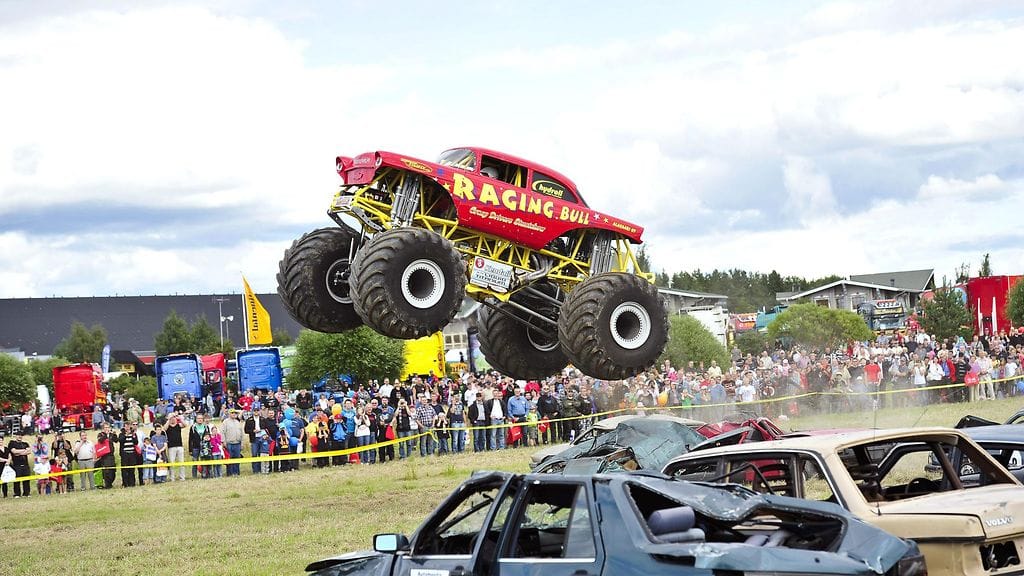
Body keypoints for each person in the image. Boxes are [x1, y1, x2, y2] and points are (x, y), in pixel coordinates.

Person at [117, 422, 139, 487]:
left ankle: (132, 483)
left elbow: (136, 442)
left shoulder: (133, 434)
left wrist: (133, 435)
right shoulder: (121, 434)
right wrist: (126, 435)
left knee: (131, 470)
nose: (128, 428)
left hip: (132, 454)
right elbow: (120, 440)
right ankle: (125, 483)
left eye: (129, 426)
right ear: (124, 427)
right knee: (124, 470)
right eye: (126, 426)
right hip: (125, 455)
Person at [165, 415, 186, 482]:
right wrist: (169, 419)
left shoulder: (178, 425)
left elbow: (185, 425)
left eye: (174, 418)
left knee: (181, 462)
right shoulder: (168, 426)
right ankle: (172, 478)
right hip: (171, 447)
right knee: (172, 463)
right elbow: (164, 429)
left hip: (180, 446)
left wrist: (179, 418)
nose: (173, 419)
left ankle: (182, 477)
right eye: (172, 418)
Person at [95, 424, 117, 489]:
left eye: (108, 427)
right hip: (105, 456)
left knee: (113, 471)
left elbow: (116, 440)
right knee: (107, 471)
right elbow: (100, 440)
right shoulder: (100, 434)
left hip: (111, 455)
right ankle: (108, 484)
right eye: (106, 427)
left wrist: (114, 434)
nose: (107, 429)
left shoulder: (111, 435)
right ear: (103, 428)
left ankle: (111, 482)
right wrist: (105, 435)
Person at [188, 414, 210, 479]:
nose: (200, 419)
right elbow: (190, 439)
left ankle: (204, 475)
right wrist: (190, 450)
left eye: (201, 418)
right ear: (196, 419)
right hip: (195, 447)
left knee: (203, 461)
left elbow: (208, 437)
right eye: (198, 418)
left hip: (204, 447)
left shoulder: (206, 427)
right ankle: (194, 476)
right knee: (195, 461)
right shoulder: (193, 427)